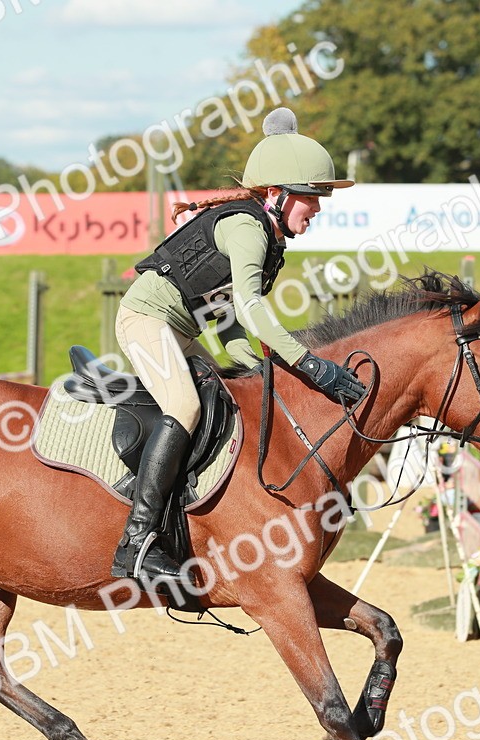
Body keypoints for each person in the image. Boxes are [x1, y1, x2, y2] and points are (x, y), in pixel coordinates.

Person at [109, 107, 366, 584]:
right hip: (146, 320)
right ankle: (137, 542)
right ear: (277, 194)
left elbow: (223, 314)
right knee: (185, 406)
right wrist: (308, 364)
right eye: (311, 197)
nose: (318, 208)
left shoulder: (266, 235)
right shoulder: (247, 229)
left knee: (229, 400)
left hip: (182, 329)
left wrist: (257, 369)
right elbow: (250, 310)